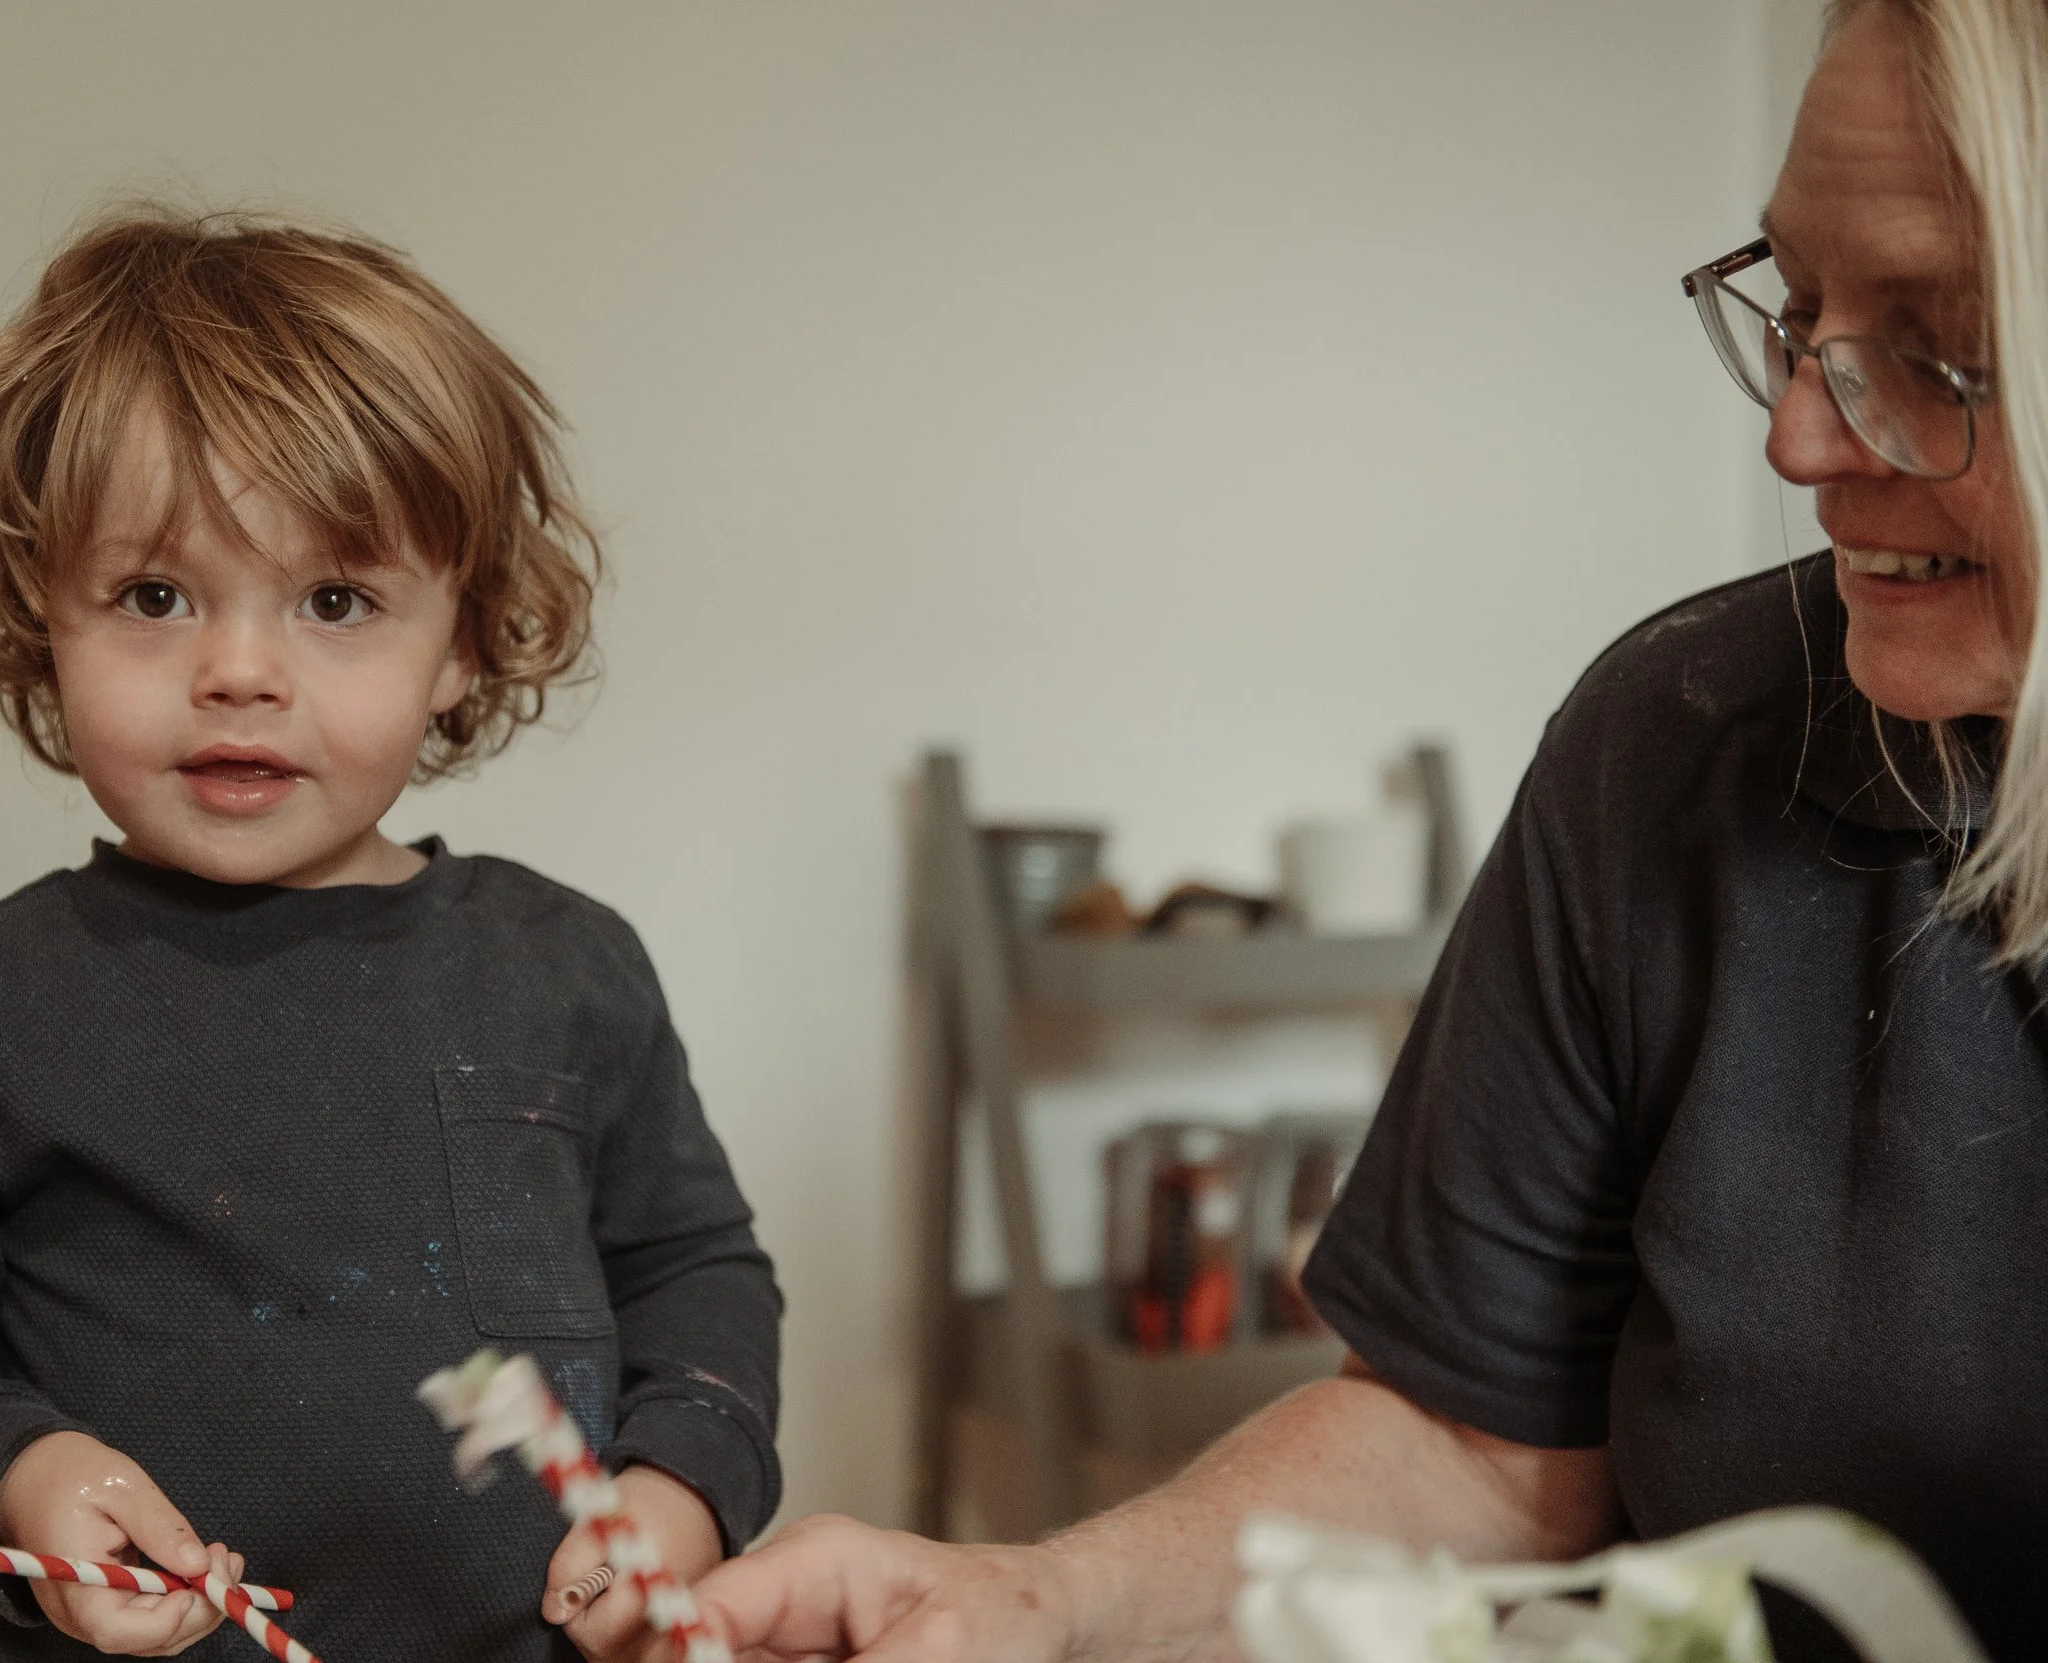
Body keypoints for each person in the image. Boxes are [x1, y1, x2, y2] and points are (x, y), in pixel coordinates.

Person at [694, 2, 2048, 1659]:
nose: (1796, 438)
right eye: (1802, 313)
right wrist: (1033, 1599)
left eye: (1932, 347)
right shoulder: (1679, 741)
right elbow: (1480, 1441)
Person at [0, 210, 781, 1662]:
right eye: (154, 596)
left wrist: (681, 1487)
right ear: (45, 612)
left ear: (464, 637)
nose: (239, 670)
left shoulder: (567, 968)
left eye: (336, 599)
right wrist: (24, 1475)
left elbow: (698, 1275)